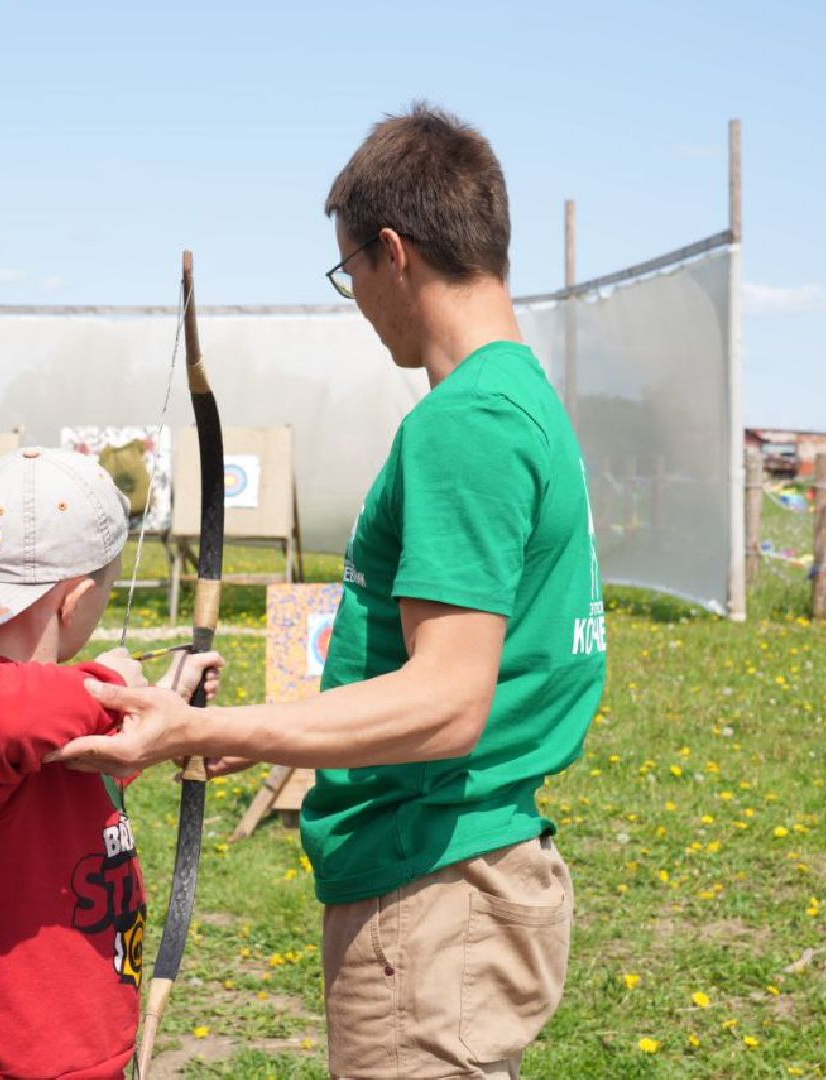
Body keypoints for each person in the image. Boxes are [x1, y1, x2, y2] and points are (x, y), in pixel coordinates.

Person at [52, 103, 608, 1077]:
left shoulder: (465, 424)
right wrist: (268, 726)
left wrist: (197, 732)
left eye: (348, 270)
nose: (353, 297)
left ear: (393, 251)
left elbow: (445, 705)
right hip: (456, 873)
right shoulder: (518, 398)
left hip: (430, 894)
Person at [0, 447, 221, 1080]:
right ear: (76, 600)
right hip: (4, 1060)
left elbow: (72, 768)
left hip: (68, 1048)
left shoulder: (25, 723)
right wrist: (107, 680)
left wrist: (165, 702)